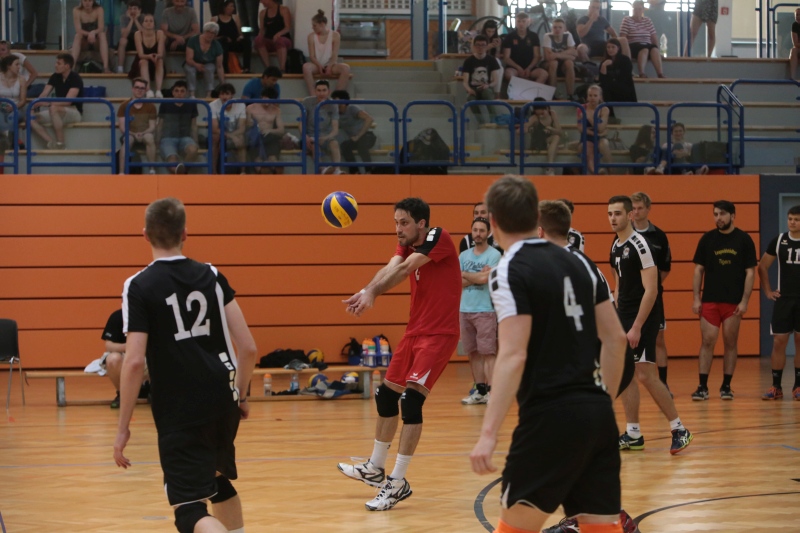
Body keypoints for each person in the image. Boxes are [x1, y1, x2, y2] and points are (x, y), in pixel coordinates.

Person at [470, 176, 629, 533]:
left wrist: (488, 433)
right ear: (534, 216)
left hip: (548, 418)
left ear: (492, 221)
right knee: (601, 527)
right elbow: (616, 339)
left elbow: (513, 355)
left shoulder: (508, 269)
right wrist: (602, 403)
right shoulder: (580, 262)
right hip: (597, 415)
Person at [113, 197, 258, 533]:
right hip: (222, 398)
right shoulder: (212, 275)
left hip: (180, 408)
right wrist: (241, 395)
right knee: (217, 482)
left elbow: (133, 362)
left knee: (189, 510)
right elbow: (249, 347)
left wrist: (122, 428)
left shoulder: (139, 285)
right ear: (185, 234)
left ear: (145, 234)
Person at [337, 197, 461, 511]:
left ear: (422, 223)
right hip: (414, 331)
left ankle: (397, 482)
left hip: (439, 334)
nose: (398, 229)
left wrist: (374, 293)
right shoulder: (407, 244)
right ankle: (375, 468)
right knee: (385, 396)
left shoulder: (438, 237)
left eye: (404, 223)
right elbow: (392, 266)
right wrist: (366, 290)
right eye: (395, 223)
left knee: (411, 401)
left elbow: (405, 269)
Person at [537, 199, 638, 533]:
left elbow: (603, 333)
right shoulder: (567, 261)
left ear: (540, 231)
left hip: (603, 362)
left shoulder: (567, 265)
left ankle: (607, 519)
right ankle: (589, 517)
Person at [609, 195, 693, 455]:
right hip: (624, 315)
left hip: (643, 316)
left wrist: (636, 326)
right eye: (610, 214)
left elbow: (652, 290)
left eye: (618, 214)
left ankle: (679, 429)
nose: (613, 218)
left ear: (630, 215)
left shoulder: (641, 245)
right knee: (626, 374)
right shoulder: (616, 245)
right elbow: (619, 283)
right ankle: (633, 433)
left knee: (645, 374)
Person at [691, 200, 757, 401]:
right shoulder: (707, 239)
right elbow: (698, 270)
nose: (718, 218)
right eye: (715, 214)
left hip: (733, 303)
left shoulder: (744, 240)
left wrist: (744, 301)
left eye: (722, 214)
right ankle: (702, 386)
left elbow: (750, 272)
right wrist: (696, 298)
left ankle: (726, 386)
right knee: (707, 341)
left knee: (730, 342)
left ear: (732, 215)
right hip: (710, 300)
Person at [630, 192, 672, 391]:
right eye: (633, 208)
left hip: (654, 298)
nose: (636, 212)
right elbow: (615, 266)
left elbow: (665, 268)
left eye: (640, 208)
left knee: (659, 339)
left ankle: (663, 384)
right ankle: (629, 382)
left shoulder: (659, 236)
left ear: (648, 209)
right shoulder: (624, 234)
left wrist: (650, 287)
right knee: (629, 338)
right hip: (630, 298)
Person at [758, 205, 800, 401]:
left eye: (796, 219)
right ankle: (776, 386)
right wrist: (768, 290)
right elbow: (762, 266)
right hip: (784, 300)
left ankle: (798, 386)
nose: (792, 222)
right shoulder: (779, 240)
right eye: (790, 218)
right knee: (779, 342)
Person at [459, 217, 502, 405]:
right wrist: (478, 275)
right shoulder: (463, 256)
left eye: (482, 230)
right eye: (475, 230)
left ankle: (492, 392)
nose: (478, 234)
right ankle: (480, 391)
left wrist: (466, 274)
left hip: (485, 310)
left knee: (488, 353)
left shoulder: (495, 255)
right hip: (464, 310)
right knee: (473, 352)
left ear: (488, 233)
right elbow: (457, 282)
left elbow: (486, 279)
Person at [29, 53, 84, 150]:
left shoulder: (75, 78)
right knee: (30, 117)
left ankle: (61, 143)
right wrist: (34, 105)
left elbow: (68, 102)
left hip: (73, 111)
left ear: (67, 66)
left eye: (58, 63)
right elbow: (44, 94)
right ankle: (51, 142)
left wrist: (48, 103)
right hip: (57, 109)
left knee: (53, 108)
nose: (55, 65)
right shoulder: (55, 76)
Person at [100, 308, 150, 408]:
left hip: (148, 356)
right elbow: (109, 345)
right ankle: (122, 394)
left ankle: (153, 392)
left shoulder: (152, 315)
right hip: (125, 356)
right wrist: (130, 346)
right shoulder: (117, 316)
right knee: (113, 359)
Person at [303, 10, 351, 95]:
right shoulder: (311, 36)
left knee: (346, 68)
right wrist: (319, 66)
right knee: (306, 67)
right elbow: (312, 56)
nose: (313, 28)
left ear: (322, 24)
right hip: (317, 65)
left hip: (331, 65)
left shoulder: (335, 35)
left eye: (314, 25)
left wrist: (329, 66)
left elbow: (334, 55)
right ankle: (313, 95)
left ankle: (337, 95)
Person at [157, 80, 199, 174]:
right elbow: (160, 124)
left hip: (185, 138)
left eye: (182, 91)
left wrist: (196, 142)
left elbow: (194, 125)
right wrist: (157, 142)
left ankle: (180, 172)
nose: (179, 93)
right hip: (168, 138)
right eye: (176, 91)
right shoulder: (165, 104)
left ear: (186, 93)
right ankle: (182, 174)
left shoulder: (192, 104)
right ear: (173, 92)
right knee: (172, 159)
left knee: (193, 150)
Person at [117, 77, 157, 174]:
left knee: (149, 138)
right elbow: (122, 128)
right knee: (128, 140)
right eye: (137, 87)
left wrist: (142, 133)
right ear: (132, 89)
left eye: (142, 88)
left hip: (145, 133)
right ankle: (121, 172)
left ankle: (152, 169)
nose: (139, 90)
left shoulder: (151, 106)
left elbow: (152, 126)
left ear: (145, 90)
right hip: (130, 133)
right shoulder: (124, 105)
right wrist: (134, 134)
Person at [331, 89, 376, 174]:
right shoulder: (336, 114)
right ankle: (355, 171)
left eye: (336, 101)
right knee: (344, 146)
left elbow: (369, 119)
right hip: (354, 139)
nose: (334, 104)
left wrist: (358, 136)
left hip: (366, 136)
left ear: (343, 101)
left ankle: (369, 171)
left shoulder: (352, 108)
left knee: (361, 144)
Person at [619, 1, 665, 78]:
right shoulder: (627, 20)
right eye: (635, 9)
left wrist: (657, 49)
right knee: (644, 49)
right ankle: (642, 73)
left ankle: (660, 74)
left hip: (647, 44)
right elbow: (623, 36)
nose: (637, 11)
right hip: (633, 45)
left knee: (654, 49)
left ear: (643, 10)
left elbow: (653, 37)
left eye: (639, 9)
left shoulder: (647, 20)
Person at [303, 79, 341, 173]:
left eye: (324, 90)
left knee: (334, 143)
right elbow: (301, 123)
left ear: (329, 91)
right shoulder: (307, 102)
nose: (321, 93)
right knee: (314, 145)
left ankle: (337, 170)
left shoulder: (333, 105)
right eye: (319, 90)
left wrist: (325, 138)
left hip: (326, 135)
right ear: (315, 91)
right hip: (311, 135)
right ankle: (322, 169)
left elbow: (335, 129)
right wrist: (305, 136)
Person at [461, 34, 501, 125]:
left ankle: (494, 120)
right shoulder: (469, 61)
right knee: (470, 99)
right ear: (474, 46)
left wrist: (488, 85)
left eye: (483, 45)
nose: (480, 48)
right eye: (478, 45)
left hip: (486, 87)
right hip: (473, 88)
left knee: (487, 93)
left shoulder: (491, 60)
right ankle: (481, 123)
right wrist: (469, 90)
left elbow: (495, 80)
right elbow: (465, 82)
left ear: (487, 46)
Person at [501, 12, 548, 85]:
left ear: (528, 22)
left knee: (544, 74)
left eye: (523, 21)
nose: (521, 24)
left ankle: (532, 90)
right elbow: (506, 58)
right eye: (518, 21)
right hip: (514, 68)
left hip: (530, 68)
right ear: (515, 22)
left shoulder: (534, 36)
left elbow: (537, 56)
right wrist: (518, 68)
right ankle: (518, 91)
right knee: (509, 74)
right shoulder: (509, 37)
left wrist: (529, 68)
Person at [246, 86, 284, 174]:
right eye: (266, 98)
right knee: (259, 162)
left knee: (273, 159)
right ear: (261, 97)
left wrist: (270, 130)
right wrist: (250, 124)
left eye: (270, 100)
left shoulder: (276, 110)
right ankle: (260, 167)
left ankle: (274, 166)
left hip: (270, 138)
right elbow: (246, 126)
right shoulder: (251, 108)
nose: (267, 102)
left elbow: (281, 130)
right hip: (255, 139)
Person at [210, 82, 246, 173]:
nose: (224, 97)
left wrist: (234, 136)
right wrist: (231, 136)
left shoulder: (241, 105)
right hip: (220, 134)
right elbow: (214, 129)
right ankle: (213, 172)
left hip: (236, 133)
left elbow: (242, 128)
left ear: (232, 95)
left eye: (227, 94)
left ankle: (243, 172)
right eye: (222, 94)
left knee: (241, 139)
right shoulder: (212, 105)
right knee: (215, 138)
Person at [184, 22, 226, 98]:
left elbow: (219, 66)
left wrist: (223, 84)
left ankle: (209, 94)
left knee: (210, 68)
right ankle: (192, 94)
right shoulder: (193, 40)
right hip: (193, 63)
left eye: (213, 33)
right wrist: (196, 65)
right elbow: (188, 59)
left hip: (208, 64)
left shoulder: (217, 45)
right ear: (204, 31)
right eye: (208, 32)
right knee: (190, 69)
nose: (210, 35)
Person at [576, 85, 611, 174]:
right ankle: (596, 172)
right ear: (587, 97)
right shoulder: (581, 108)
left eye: (595, 96)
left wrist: (589, 117)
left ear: (600, 97)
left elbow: (600, 128)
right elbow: (580, 128)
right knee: (587, 146)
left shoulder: (604, 109)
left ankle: (611, 173)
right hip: (586, 137)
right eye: (590, 95)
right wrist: (595, 133)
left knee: (603, 144)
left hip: (601, 137)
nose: (592, 98)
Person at [598, 38, 637, 118]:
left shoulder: (625, 60)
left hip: (623, 89)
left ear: (618, 48)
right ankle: (608, 116)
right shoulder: (604, 62)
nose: (610, 49)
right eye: (608, 47)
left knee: (606, 89)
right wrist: (604, 66)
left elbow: (625, 78)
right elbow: (602, 80)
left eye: (613, 47)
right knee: (601, 88)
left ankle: (611, 116)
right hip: (610, 89)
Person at [129, 13, 165, 98]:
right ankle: (148, 90)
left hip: (155, 60)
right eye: (146, 21)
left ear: (154, 24)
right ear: (142, 23)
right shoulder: (138, 34)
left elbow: (161, 53)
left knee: (160, 60)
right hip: (141, 61)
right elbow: (141, 54)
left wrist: (156, 56)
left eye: (151, 21)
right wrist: (149, 56)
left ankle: (158, 91)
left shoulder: (160, 33)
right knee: (144, 61)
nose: (149, 23)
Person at [524, 97, 562, 175]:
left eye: (542, 113)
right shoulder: (534, 118)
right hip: (538, 142)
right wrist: (528, 128)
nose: (540, 116)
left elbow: (559, 132)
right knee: (556, 144)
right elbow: (524, 128)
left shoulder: (552, 114)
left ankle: (549, 167)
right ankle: (550, 167)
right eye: (538, 114)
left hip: (549, 141)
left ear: (547, 108)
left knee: (556, 137)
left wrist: (550, 128)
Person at [542, 18, 578, 100]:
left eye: (560, 27)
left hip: (563, 65)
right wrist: (566, 53)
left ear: (564, 29)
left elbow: (574, 55)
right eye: (555, 27)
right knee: (554, 63)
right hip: (550, 64)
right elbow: (548, 57)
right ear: (552, 28)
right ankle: (552, 94)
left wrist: (557, 54)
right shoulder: (547, 36)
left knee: (569, 63)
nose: (557, 29)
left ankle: (570, 95)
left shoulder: (568, 35)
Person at [212, 0, 252, 74]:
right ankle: (225, 68)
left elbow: (240, 33)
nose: (233, 8)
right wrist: (223, 37)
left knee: (247, 41)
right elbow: (212, 37)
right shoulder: (215, 19)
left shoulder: (235, 18)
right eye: (231, 6)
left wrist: (241, 37)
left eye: (233, 6)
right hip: (222, 43)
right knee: (223, 42)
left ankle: (246, 68)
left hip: (234, 42)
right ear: (224, 7)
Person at [71, 0, 110, 72]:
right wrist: (89, 34)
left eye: (89, 1)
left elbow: (101, 28)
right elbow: (78, 30)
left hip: (96, 40)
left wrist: (93, 33)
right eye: (85, 1)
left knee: (102, 34)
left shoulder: (99, 9)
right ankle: (72, 67)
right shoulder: (77, 10)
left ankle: (106, 67)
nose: (87, 3)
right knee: (77, 36)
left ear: (93, 1)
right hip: (84, 41)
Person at [255, 0, 292, 73]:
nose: (261, 2)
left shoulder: (283, 10)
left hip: (283, 40)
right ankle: (268, 68)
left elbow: (287, 27)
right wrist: (258, 40)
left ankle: (282, 69)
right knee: (258, 40)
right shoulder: (262, 13)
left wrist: (278, 34)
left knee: (280, 40)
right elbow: (262, 30)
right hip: (269, 41)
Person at [0, 55, 28, 137]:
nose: (19, 67)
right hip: (1, 108)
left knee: (11, 120)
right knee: (1, 121)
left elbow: (23, 100)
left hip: (16, 108)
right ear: (9, 66)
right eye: (17, 64)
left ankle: (8, 142)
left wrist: (13, 107)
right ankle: (11, 141)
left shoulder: (21, 79)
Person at [116, 0, 143, 73]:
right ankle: (120, 68)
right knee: (122, 41)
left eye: (135, 9)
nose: (132, 11)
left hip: (140, 40)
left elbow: (143, 34)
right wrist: (131, 20)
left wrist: (136, 20)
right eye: (130, 9)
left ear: (139, 10)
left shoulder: (143, 17)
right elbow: (124, 35)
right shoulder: (123, 18)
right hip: (129, 39)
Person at [790, 9, 800, 79]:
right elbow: (796, 44)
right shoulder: (795, 25)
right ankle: (792, 78)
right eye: (797, 15)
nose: (798, 17)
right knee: (793, 51)